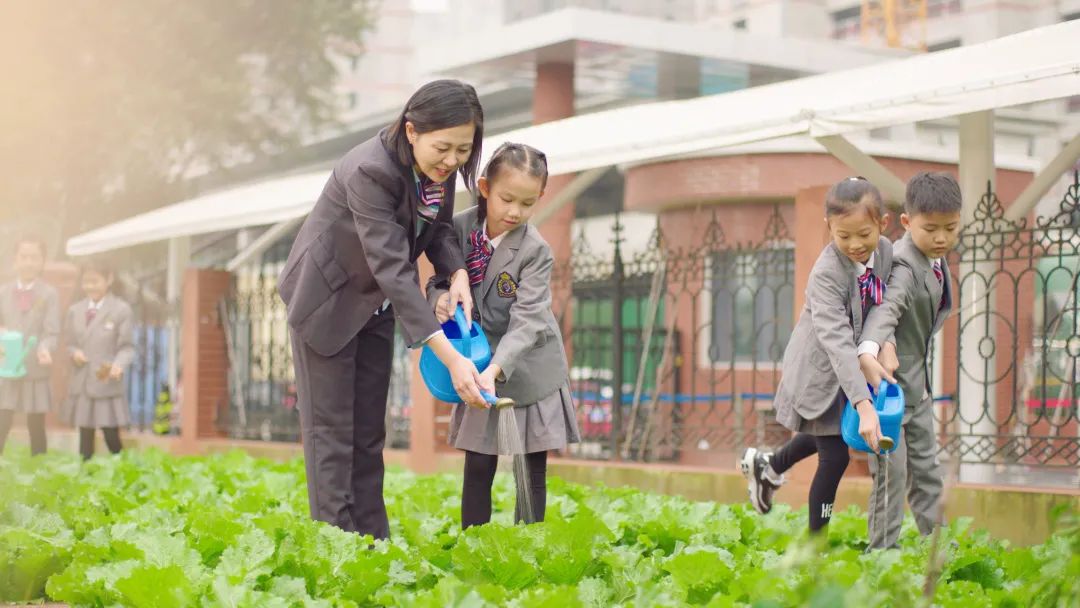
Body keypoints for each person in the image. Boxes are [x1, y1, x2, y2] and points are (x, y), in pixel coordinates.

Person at [278, 79, 490, 539]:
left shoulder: (438, 170)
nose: (452, 160)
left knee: (369, 435)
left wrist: (454, 274)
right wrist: (452, 359)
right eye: (444, 147)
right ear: (412, 130)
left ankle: (374, 543)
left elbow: (437, 232)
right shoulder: (369, 171)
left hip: (373, 306)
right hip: (325, 303)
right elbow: (393, 268)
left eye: (463, 149)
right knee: (331, 435)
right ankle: (335, 547)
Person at [426, 142, 580, 528]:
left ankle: (527, 550)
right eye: (507, 198)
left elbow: (529, 319)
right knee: (478, 464)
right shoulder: (456, 229)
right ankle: (474, 550)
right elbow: (437, 280)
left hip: (528, 368)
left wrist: (496, 369)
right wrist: (440, 298)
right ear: (484, 188)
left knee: (531, 471)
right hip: (476, 362)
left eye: (527, 204)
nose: (515, 212)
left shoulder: (536, 251)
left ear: (540, 198)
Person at [740, 176, 893, 533]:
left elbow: (887, 305)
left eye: (864, 234)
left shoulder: (886, 251)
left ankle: (769, 466)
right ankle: (814, 550)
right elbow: (837, 342)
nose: (855, 244)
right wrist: (864, 404)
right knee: (836, 454)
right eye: (844, 236)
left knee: (831, 431)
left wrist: (886, 344)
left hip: (853, 364)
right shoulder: (826, 273)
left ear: (882, 225)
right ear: (829, 228)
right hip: (820, 369)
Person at [858, 171, 962, 549]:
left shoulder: (934, 258)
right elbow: (885, 310)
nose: (941, 238)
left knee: (928, 475)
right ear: (906, 222)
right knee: (893, 475)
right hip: (887, 392)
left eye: (950, 228)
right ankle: (881, 557)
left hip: (916, 391)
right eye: (931, 228)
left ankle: (941, 556)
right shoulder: (903, 265)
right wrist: (873, 345)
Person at [63, 259, 133, 460]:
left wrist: (119, 365)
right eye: (86, 282)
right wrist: (74, 353)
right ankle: (86, 476)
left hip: (105, 381)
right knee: (85, 436)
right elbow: (69, 343)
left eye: (95, 281)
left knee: (111, 435)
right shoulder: (75, 310)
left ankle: (122, 473)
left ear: (109, 279)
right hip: (83, 381)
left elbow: (127, 347)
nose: (90, 287)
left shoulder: (121, 310)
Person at [0, 237, 60, 456]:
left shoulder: (49, 294)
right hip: (7, 366)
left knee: (36, 424)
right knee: (2, 420)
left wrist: (45, 348)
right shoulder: (3, 292)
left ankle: (39, 471)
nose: (28, 262)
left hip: (35, 365)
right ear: (15, 260)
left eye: (34, 257)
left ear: (42, 261)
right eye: (24, 257)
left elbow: (52, 331)